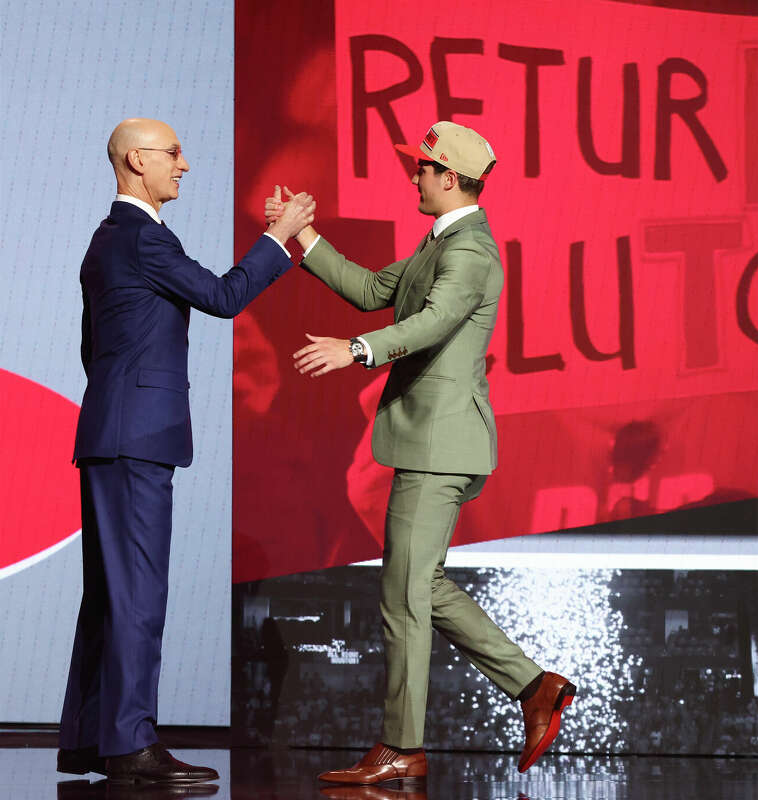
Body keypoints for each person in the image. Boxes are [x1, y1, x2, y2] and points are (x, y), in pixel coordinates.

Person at [269, 121, 576, 784]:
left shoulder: (471, 252)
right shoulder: (442, 241)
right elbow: (373, 291)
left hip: (443, 442)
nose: (415, 177)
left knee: (404, 591)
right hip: (430, 438)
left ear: (451, 178)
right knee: (417, 584)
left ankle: (403, 746)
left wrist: (356, 350)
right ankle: (534, 687)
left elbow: (433, 323)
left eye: (423, 169)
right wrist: (302, 235)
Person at [58, 118, 314, 784]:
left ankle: (92, 738)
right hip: (136, 438)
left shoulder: (107, 240)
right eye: (173, 153)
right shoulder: (142, 238)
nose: (185, 164)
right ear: (137, 160)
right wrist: (278, 238)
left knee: (111, 595)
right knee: (137, 594)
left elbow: (95, 349)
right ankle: (131, 746)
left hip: (114, 432)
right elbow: (224, 296)